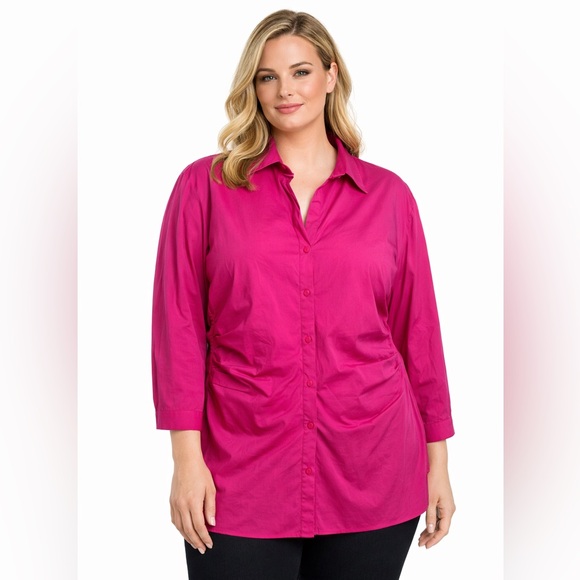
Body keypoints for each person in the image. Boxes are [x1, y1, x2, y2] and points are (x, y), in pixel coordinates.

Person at [151, 9, 455, 580]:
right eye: (267, 77)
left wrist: (438, 463)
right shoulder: (205, 187)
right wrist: (185, 461)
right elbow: (179, 329)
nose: (285, 90)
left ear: (331, 75)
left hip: (373, 471)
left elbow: (418, 335)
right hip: (240, 474)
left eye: (301, 72)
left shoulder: (389, 197)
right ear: (253, 87)